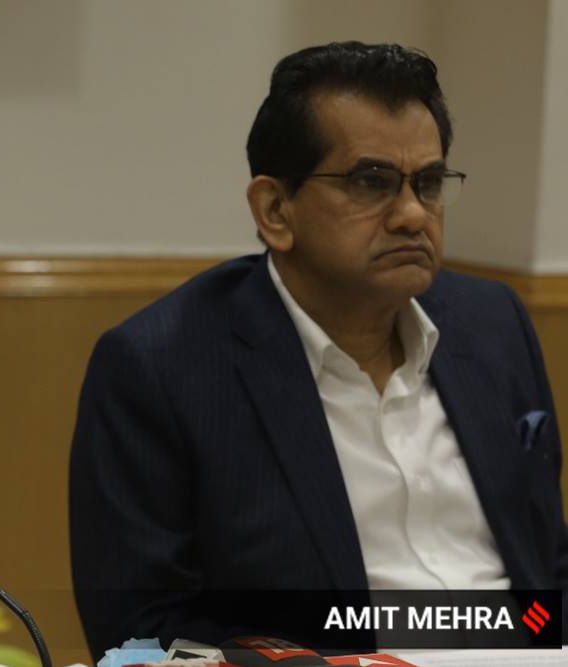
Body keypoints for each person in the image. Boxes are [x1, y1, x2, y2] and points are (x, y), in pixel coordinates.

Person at [69, 41, 568, 658]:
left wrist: (536, 638)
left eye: (430, 183)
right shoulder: (161, 367)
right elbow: (141, 636)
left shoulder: (493, 325)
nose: (414, 214)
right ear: (276, 210)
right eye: (372, 182)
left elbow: (546, 570)